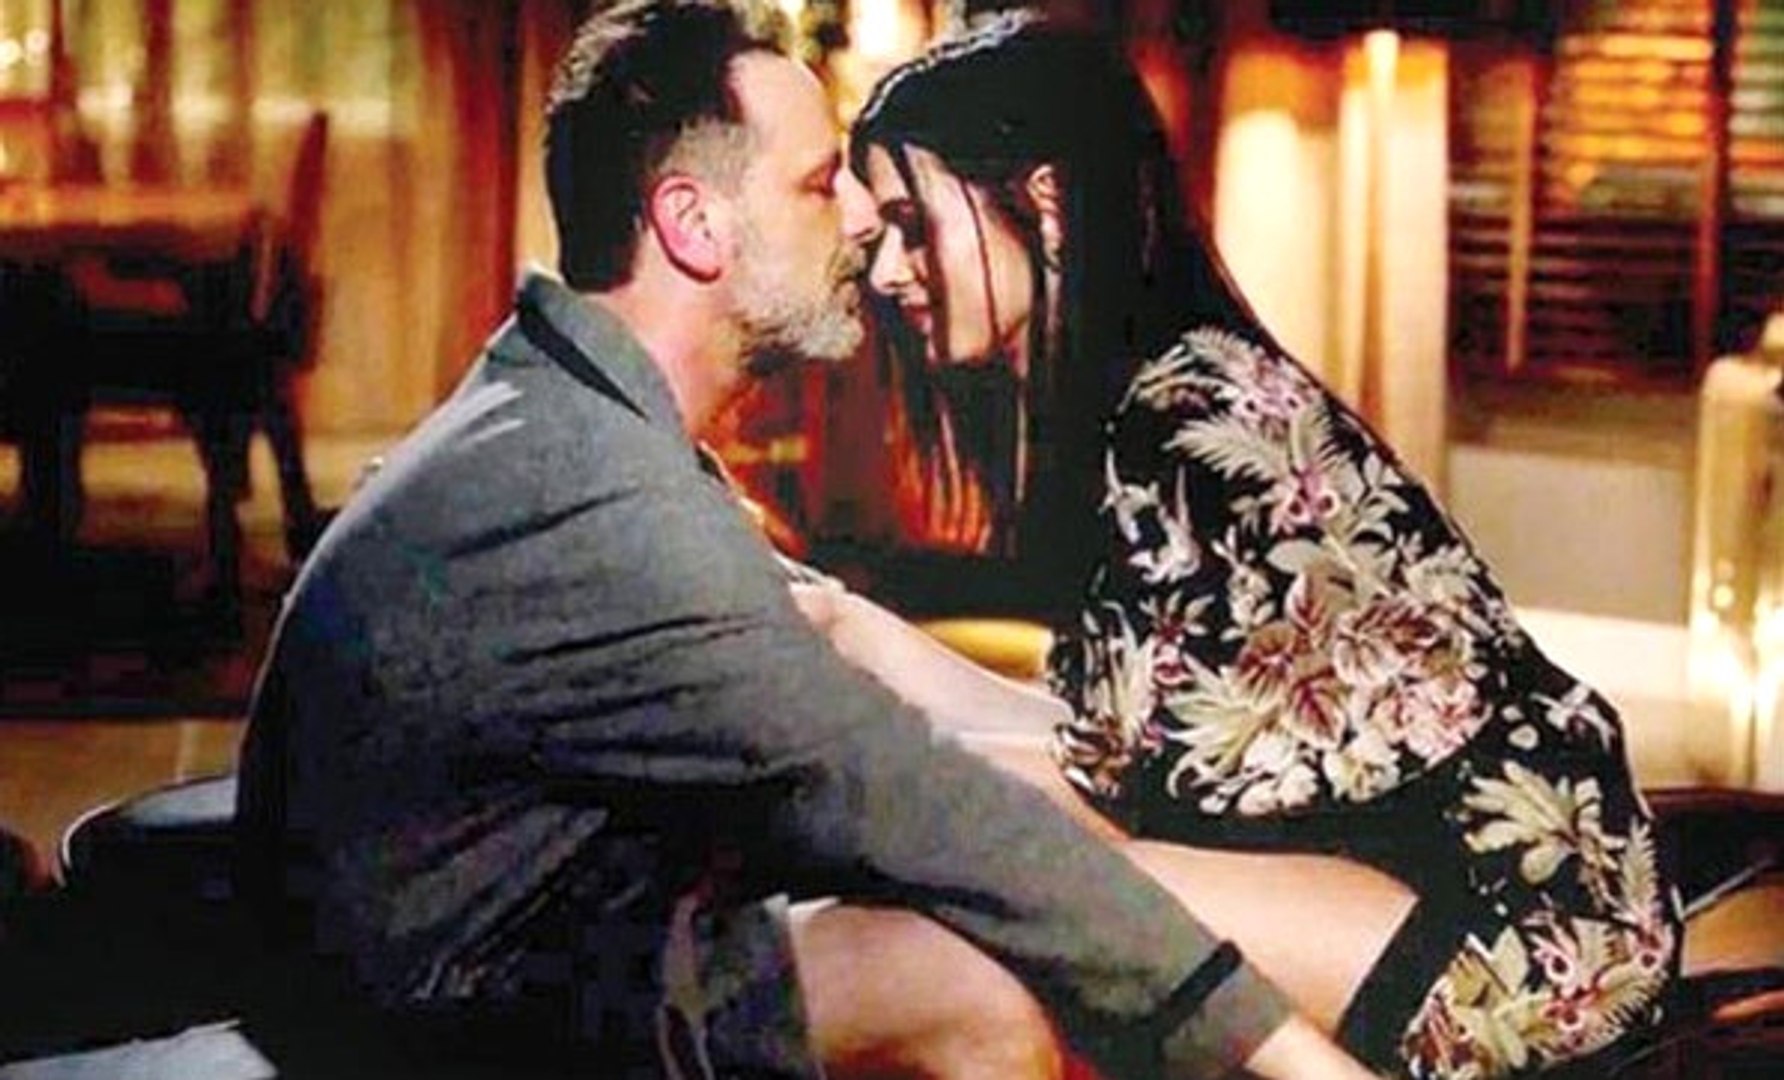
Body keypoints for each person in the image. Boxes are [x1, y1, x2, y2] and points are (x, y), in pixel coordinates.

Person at [233, 2, 1375, 1077]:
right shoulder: (604, 499)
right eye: (821, 184)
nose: (866, 219)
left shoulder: (562, 402)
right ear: (693, 223)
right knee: (970, 976)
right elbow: (924, 807)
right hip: (442, 1019)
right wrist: (1283, 1052)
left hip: (545, 930)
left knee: (978, 899)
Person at [801, 11, 1681, 1077]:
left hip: (1518, 930)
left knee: (1024, 897)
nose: (889, 274)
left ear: (1045, 205)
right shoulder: (1152, 391)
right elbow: (1099, 748)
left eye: (913, 226)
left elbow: (1102, 806)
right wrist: (845, 629)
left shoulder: (1186, 421)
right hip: (1469, 883)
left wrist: (835, 759)